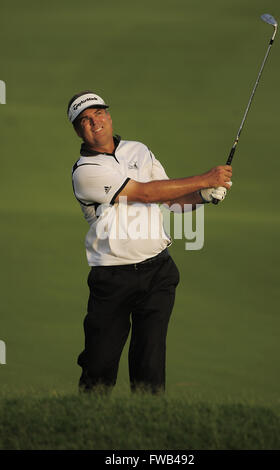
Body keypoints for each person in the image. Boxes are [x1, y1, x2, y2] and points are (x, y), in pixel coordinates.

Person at [68, 91, 232, 394]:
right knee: (99, 366)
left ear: (108, 115)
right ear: (79, 130)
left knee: (150, 363)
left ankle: (148, 429)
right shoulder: (85, 172)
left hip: (158, 271)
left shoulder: (138, 150)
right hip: (112, 276)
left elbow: (172, 199)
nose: (95, 122)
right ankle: (87, 431)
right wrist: (205, 178)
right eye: (85, 120)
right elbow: (145, 193)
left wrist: (203, 196)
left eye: (99, 113)